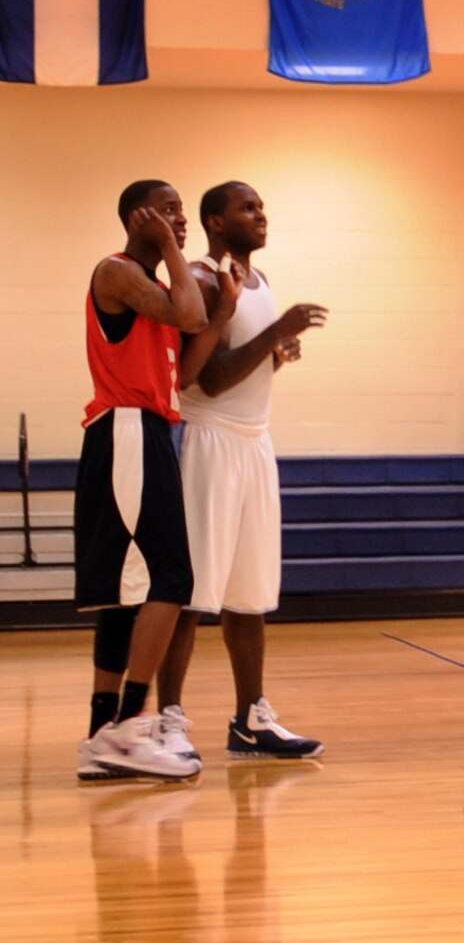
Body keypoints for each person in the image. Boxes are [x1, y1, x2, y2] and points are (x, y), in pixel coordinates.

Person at [152, 182, 329, 765]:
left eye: (262, 206)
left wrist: (278, 352)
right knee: (193, 593)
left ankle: (252, 717)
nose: (260, 216)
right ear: (216, 222)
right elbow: (206, 380)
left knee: (249, 594)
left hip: (255, 444)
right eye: (247, 208)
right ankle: (169, 719)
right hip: (209, 442)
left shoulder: (260, 282)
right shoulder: (204, 280)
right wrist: (278, 332)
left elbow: (247, 365)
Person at [75, 181, 210, 781]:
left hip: (146, 430)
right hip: (126, 429)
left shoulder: (150, 286)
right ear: (140, 215)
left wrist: (225, 311)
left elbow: (190, 344)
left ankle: (105, 735)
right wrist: (171, 250)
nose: (181, 220)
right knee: (170, 578)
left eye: (183, 212)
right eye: (171, 209)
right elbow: (190, 312)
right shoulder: (117, 272)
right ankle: (130, 728)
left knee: (126, 592)